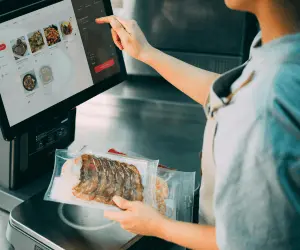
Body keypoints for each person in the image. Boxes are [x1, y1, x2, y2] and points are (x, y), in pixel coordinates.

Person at [95, 0, 300, 249]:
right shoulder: (282, 47)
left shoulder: (265, 106)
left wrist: (158, 226)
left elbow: (252, 244)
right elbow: (231, 95)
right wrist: (146, 53)